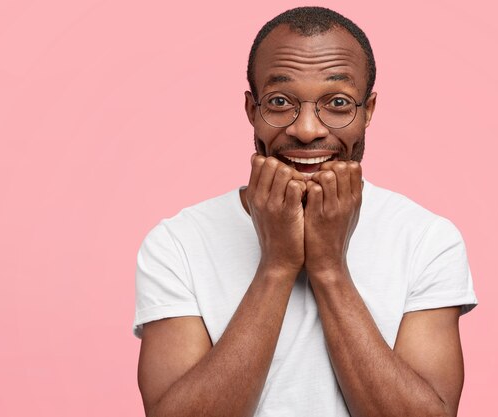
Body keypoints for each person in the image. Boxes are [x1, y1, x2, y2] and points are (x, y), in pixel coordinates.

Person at [133, 6, 478, 417]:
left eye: (337, 102)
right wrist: (277, 265)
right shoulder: (178, 243)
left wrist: (329, 268)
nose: (307, 129)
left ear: (367, 112)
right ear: (251, 110)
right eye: (280, 101)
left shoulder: (427, 239)